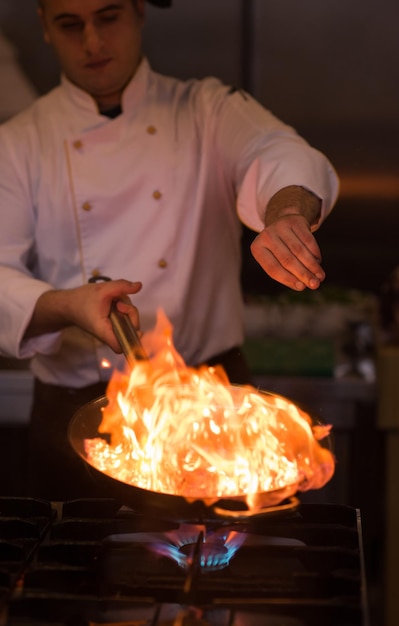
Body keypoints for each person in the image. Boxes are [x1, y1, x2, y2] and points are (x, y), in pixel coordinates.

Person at [0, 0, 339, 500]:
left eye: (108, 17)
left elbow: (279, 152)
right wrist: (66, 306)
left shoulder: (206, 108)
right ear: (45, 28)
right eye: (70, 25)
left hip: (214, 405)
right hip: (76, 418)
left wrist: (286, 213)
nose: (92, 41)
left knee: (222, 569)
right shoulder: (17, 143)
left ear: (139, 10)